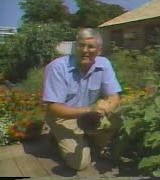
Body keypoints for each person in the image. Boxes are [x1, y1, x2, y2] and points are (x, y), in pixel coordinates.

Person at [42, 28, 122, 171]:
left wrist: (106, 108)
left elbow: (114, 96)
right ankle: (56, 136)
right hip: (63, 117)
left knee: (118, 119)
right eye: (81, 45)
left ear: (99, 50)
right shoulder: (58, 67)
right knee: (80, 164)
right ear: (75, 47)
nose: (85, 50)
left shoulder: (104, 64)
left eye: (90, 46)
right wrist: (89, 110)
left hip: (91, 115)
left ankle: (89, 137)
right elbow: (53, 107)